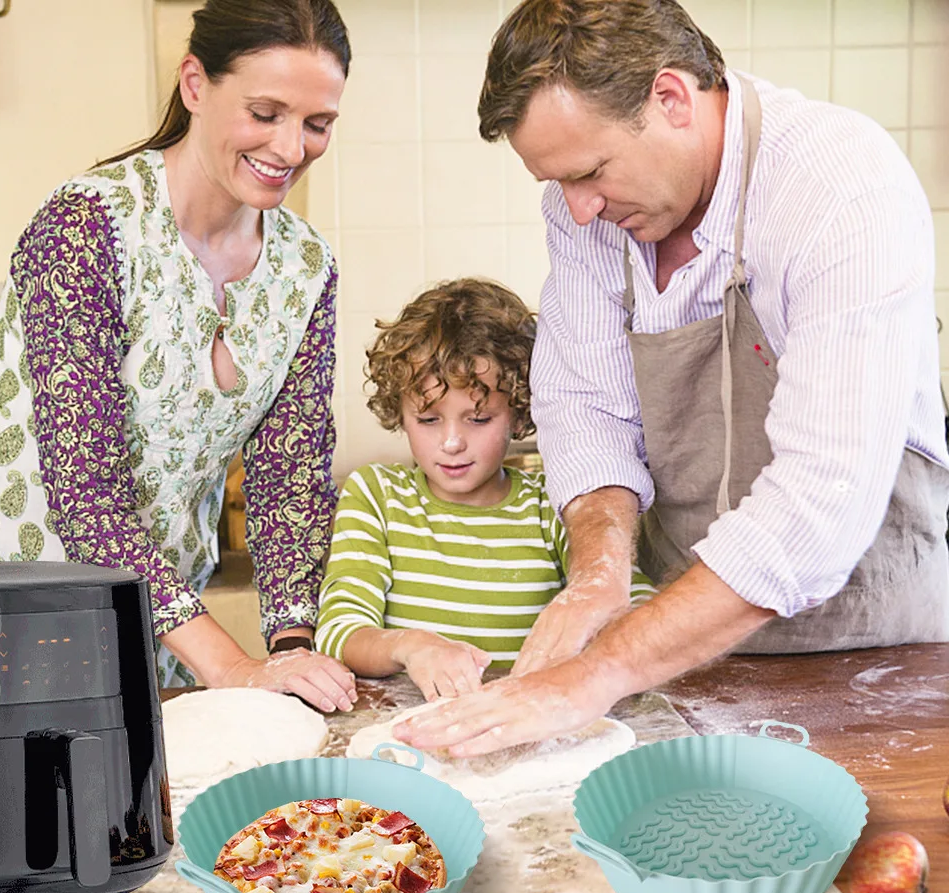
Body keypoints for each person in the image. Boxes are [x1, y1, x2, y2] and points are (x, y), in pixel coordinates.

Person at [396, 0, 949, 756]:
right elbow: (588, 409)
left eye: (591, 172)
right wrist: (599, 575)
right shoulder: (588, 213)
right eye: (559, 184)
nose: (579, 209)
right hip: (680, 663)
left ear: (671, 99)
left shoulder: (839, 188)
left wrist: (593, 674)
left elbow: (820, 501)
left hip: (871, 663)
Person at [0, 0, 357, 713]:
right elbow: (87, 493)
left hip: (160, 613)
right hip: (5, 597)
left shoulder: (307, 268)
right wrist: (232, 669)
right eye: (266, 114)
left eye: (317, 123)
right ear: (196, 84)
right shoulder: (87, 226)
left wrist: (292, 653)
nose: (292, 148)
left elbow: (287, 477)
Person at [315, 278, 658, 701]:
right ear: (399, 413)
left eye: (478, 419)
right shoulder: (377, 496)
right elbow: (338, 632)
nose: (452, 442)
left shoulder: (553, 504)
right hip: (405, 735)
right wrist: (411, 646)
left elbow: (628, 600)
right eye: (428, 420)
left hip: (528, 726)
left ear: (518, 413)